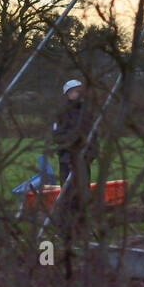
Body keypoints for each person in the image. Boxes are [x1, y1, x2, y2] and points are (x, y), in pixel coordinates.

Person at [51, 78, 98, 223]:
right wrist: (74, 141)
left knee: (83, 194)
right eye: (77, 91)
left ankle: (81, 226)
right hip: (68, 159)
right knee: (68, 194)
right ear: (69, 93)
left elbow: (94, 134)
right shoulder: (61, 113)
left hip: (84, 160)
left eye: (81, 91)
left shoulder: (87, 112)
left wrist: (91, 153)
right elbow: (58, 136)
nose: (80, 94)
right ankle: (66, 225)